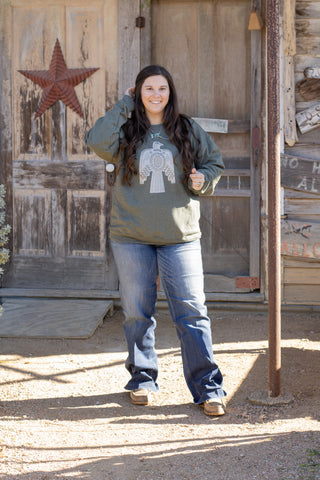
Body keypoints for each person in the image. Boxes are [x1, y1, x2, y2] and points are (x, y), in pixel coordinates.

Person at [85, 65, 226, 416]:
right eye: (148, 88)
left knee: (192, 313)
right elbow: (95, 141)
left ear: (170, 92)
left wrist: (202, 180)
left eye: (162, 88)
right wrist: (124, 105)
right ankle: (142, 379)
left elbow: (214, 164)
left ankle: (208, 389)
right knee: (136, 313)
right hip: (131, 236)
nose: (156, 95)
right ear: (138, 92)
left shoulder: (187, 129)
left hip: (180, 237)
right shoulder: (126, 129)